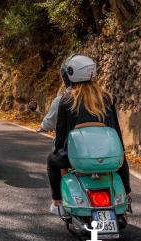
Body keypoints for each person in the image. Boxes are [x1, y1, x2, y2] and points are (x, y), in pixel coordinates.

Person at [48, 54, 131, 215]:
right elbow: (116, 128)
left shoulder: (66, 100)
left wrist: (58, 150)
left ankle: (57, 202)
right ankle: (127, 196)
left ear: (70, 74)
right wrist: (121, 151)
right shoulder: (106, 98)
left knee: (52, 161)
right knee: (122, 158)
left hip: (79, 157)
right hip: (108, 156)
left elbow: (61, 134)